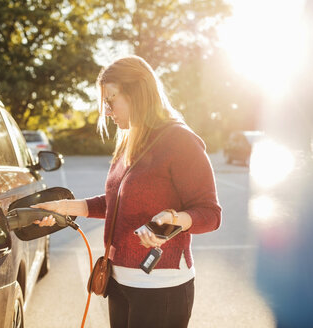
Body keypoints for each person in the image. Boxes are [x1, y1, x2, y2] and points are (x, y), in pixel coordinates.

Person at [32, 55, 221, 328]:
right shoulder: (129, 142)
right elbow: (116, 203)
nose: (107, 111)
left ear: (138, 94)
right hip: (119, 281)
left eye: (110, 101)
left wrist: (172, 219)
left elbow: (210, 214)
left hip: (161, 286)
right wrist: (66, 207)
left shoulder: (180, 140)